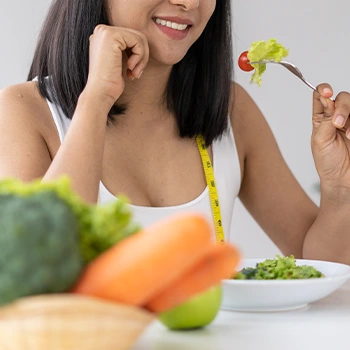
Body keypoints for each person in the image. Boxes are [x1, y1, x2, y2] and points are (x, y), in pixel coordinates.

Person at [0, 0, 350, 264]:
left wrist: (339, 190)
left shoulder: (230, 110)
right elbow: (36, 268)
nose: (190, 2)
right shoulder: (24, 111)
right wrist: (95, 101)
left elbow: (323, 269)